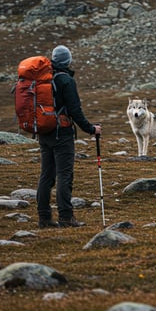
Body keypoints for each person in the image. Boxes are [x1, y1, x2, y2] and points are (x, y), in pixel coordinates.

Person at [36, 45, 101, 229]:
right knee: (64, 175)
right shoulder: (66, 80)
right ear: (67, 61)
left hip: (44, 132)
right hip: (62, 133)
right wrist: (91, 129)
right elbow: (75, 110)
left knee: (46, 176)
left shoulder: (44, 79)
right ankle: (66, 217)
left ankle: (44, 218)